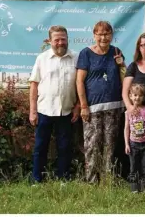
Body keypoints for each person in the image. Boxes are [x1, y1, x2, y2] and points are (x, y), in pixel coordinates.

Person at [29, 25, 79, 184]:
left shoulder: (76, 57)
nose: (60, 42)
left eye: (63, 39)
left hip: (67, 111)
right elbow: (34, 85)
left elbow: (81, 84)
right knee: (40, 147)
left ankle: (63, 178)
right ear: (49, 41)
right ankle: (37, 179)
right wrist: (33, 111)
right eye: (56, 39)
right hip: (44, 110)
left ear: (67, 39)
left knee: (64, 147)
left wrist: (78, 106)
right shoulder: (41, 59)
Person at [76, 21, 124, 183]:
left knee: (110, 146)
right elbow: (79, 81)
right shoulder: (86, 54)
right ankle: (91, 181)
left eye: (107, 34)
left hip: (115, 106)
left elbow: (124, 76)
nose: (103, 37)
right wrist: (83, 106)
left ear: (111, 35)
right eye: (100, 34)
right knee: (92, 146)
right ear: (94, 35)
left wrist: (122, 64)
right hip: (92, 108)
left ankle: (108, 180)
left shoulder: (116, 52)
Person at [124, 84, 145, 193]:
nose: (137, 98)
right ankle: (134, 189)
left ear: (144, 98)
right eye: (135, 95)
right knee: (133, 167)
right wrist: (127, 144)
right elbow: (126, 128)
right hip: (133, 144)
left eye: (140, 96)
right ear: (130, 96)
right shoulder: (128, 112)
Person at [122, 32, 145, 112]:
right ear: (139, 47)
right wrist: (130, 107)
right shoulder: (133, 67)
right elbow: (125, 92)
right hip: (138, 114)